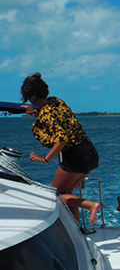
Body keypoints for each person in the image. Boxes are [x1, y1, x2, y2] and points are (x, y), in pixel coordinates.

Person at [20, 72, 101, 225]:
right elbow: (54, 116)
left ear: (34, 96)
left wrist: (44, 158)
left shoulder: (45, 115)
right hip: (89, 152)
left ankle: (90, 205)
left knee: (54, 195)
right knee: (66, 194)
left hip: (75, 156)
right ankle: (78, 228)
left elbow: (61, 139)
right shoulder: (56, 101)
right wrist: (36, 112)